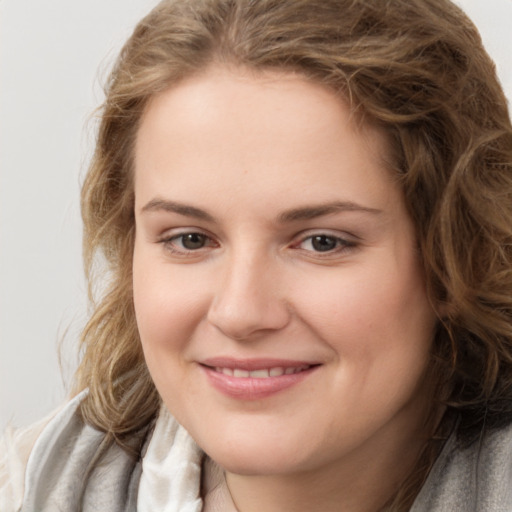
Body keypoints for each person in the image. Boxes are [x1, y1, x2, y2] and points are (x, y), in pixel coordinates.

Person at [2, 0, 512, 510]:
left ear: (460, 255)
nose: (240, 313)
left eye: (322, 242)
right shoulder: (29, 489)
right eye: (190, 239)